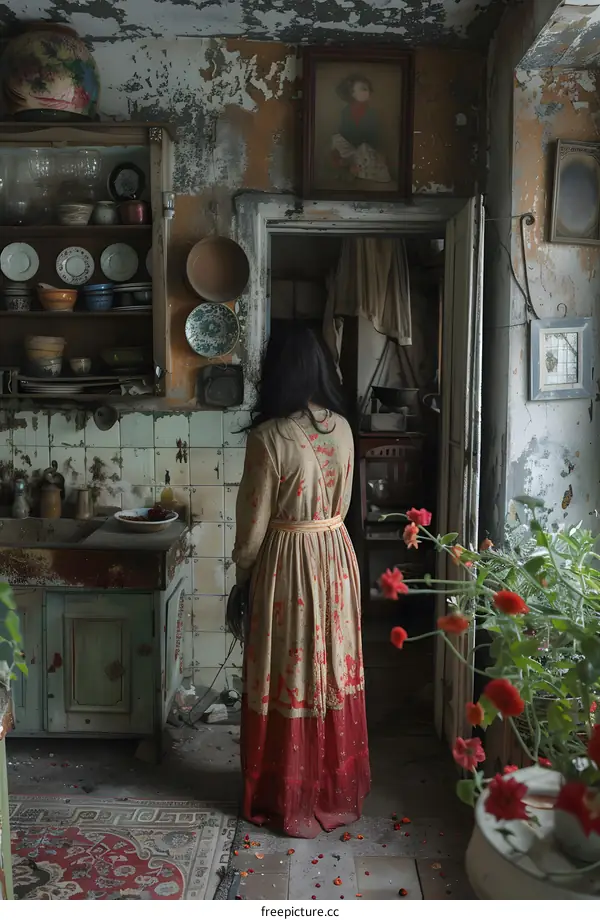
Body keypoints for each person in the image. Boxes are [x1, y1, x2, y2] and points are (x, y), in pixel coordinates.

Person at [233, 324, 370, 838]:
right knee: (331, 670)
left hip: (288, 562)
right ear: (322, 371)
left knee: (288, 675)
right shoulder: (344, 428)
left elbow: (251, 529)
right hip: (336, 557)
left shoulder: (268, 437)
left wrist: (242, 576)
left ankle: (284, 792)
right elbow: (348, 501)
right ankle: (332, 790)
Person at [331, 73, 391, 184]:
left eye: (367, 89)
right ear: (352, 93)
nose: (366, 92)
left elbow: (373, 135)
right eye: (362, 89)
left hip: (365, 147)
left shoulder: (372, 113)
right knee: (336, 140)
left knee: (366, 153)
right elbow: (344, 131)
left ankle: (355, 169)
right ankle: (349, 165)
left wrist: (369, 148)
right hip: (350, 145)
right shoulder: (346, 111)